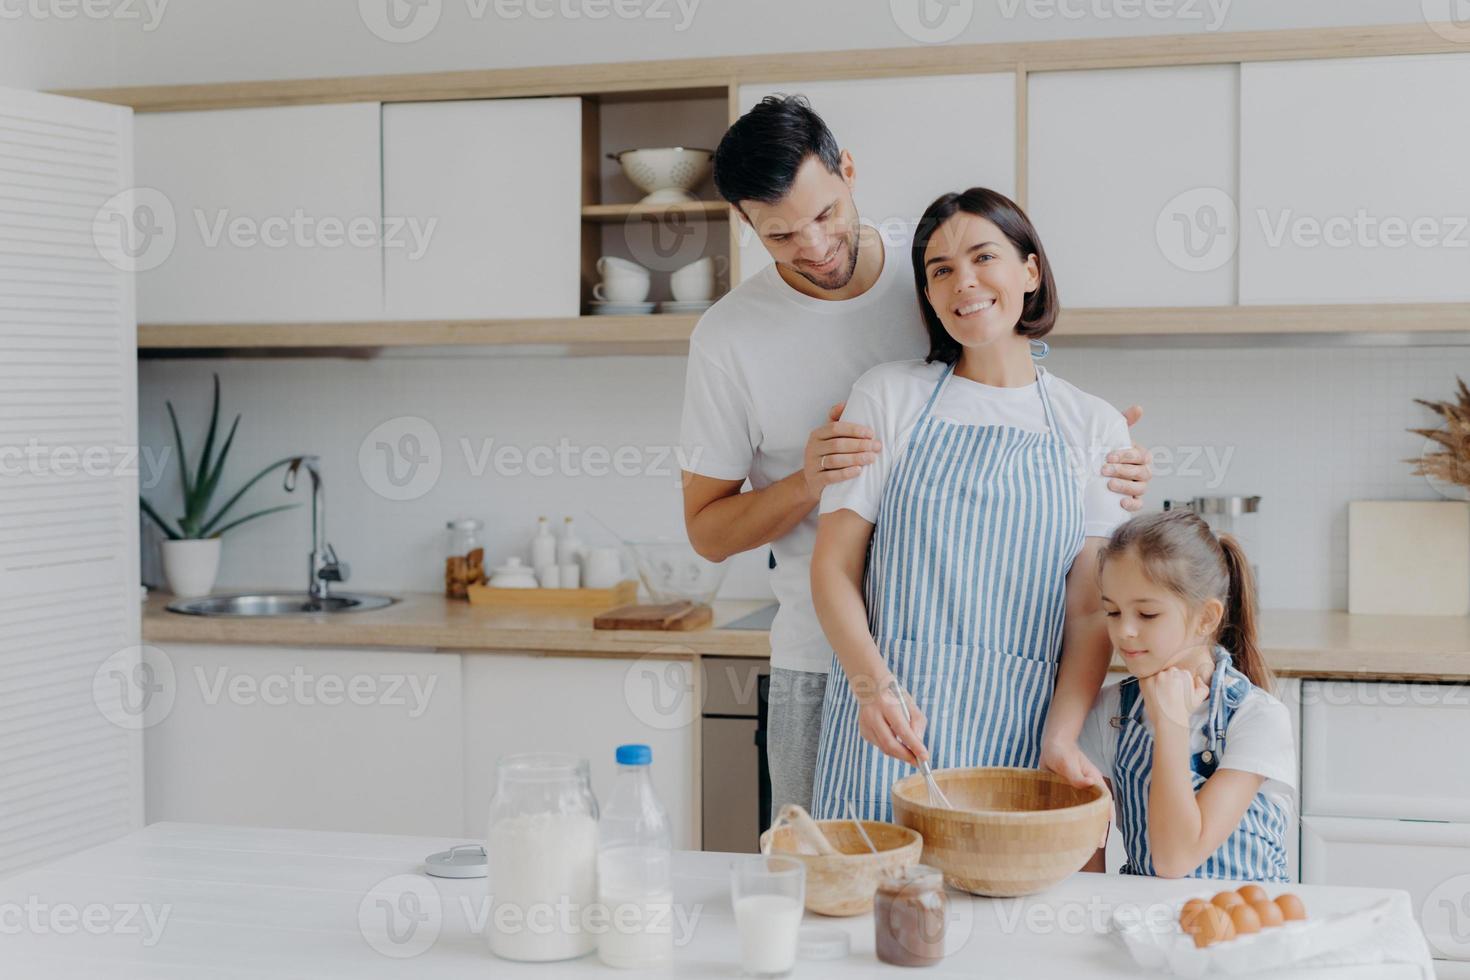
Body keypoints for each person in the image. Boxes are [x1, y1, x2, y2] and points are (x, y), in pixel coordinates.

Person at [679, 95, 1153, 821]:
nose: (814, 245)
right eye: (780, 235)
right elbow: (709, 532)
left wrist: (1100, 453)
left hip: (1016, 684)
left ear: (848, 171)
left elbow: (1008, 359)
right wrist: (811, 480)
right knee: (831, 891)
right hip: (830, 661)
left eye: (827, 214)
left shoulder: (932, 261)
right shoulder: (732, 338)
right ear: (747, 227)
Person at [810, 187, 1130, 822]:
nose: (965, 282)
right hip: (892, 732)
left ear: (1030, 271)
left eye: (985, 258)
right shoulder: (886, 398)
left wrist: (1061, 739)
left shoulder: (1093, 425)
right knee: (873, 911)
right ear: (928, 295)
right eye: (941, 270)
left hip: (1023, 732)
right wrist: (873, 688)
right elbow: (833, 568)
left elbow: (1089, 607)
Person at [1078, 510, 1295, 881]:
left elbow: (1175, 859)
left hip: (1244, 929)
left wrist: (1171, 725)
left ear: (1207, 618)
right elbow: (1087, 865)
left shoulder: (1256, 718)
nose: (1124, 631)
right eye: (1112, 611)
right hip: (1146, 927)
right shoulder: (1108, 712)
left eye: (1147, 614)